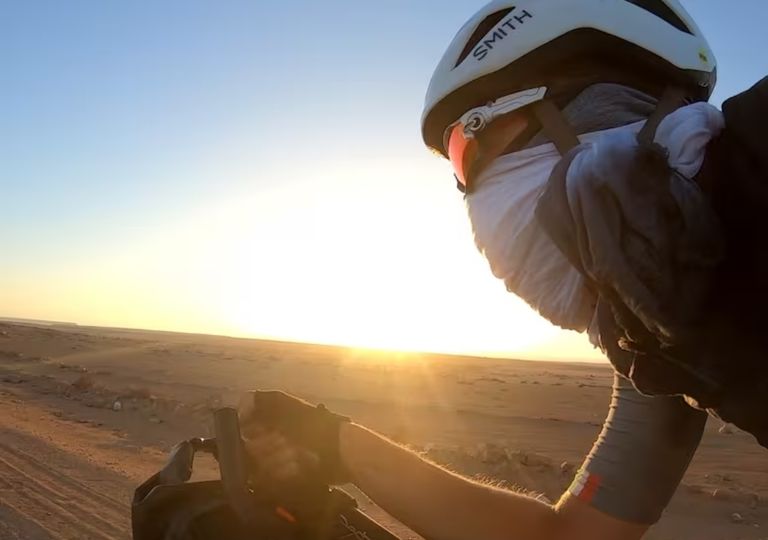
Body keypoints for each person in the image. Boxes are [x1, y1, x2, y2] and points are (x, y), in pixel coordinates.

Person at [239, 2, 736, 539]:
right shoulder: (662, 354)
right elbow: (574, 537)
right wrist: (336, 443)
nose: (470, 197)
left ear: (596, 123)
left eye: (464, 148)